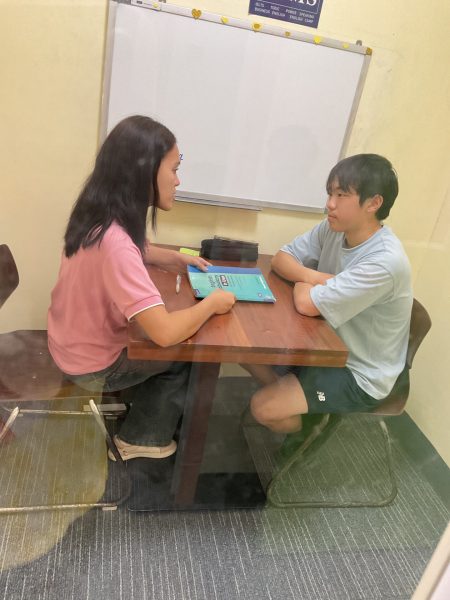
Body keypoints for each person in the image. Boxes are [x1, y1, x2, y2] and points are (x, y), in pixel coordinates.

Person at [48, 115, 235, 461]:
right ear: (144, 172)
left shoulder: (96, 218)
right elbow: (164, 333)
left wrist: (173, 258)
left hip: (66, 342)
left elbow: (132, 249)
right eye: (173, 170)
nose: (178, 180)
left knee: (164, 333)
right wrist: (213, 303)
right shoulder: (116, 244)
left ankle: (145, 412)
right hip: (91, 366)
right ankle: (139, 439)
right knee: (187, 354)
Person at [244, 153, 412, 448]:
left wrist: (303, 282)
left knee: (263, 407)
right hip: (323, 344)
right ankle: (306, 405)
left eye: (341, 195)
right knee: (245, 351)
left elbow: (306, 304)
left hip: (358, 371)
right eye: (330, 193)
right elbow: (282, 259)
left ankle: (311, 426)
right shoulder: (334, 228)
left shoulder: (385, 261)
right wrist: (317, 278)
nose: (330, 204)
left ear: (373, 203)